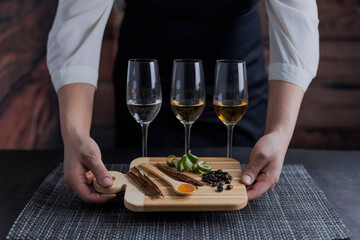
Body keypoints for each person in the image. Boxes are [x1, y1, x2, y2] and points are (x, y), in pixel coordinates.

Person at [47, 0, 319, 203]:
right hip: (146, 84)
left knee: (234, 193)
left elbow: (298, 20)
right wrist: (75, 133)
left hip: (232, 83)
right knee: (145, 192)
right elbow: (77, 25)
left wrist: (279, 132)